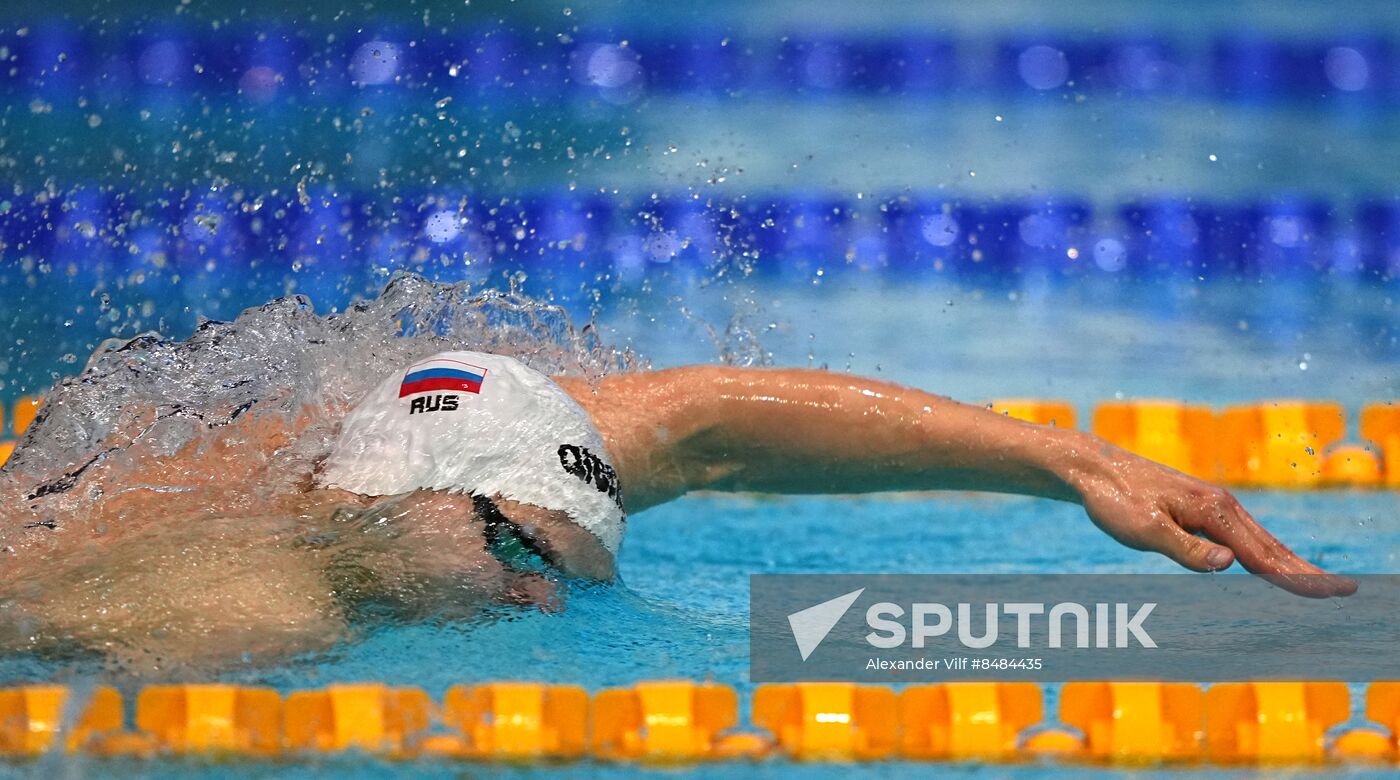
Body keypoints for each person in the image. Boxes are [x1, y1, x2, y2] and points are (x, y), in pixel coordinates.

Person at [0, 349, 1355, 667]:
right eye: (525, 557)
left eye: (570, 574)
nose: (542, 597)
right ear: (429, 504)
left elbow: (703, 427)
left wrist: (1073, 464)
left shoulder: (462, 443)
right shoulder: (226, 611)